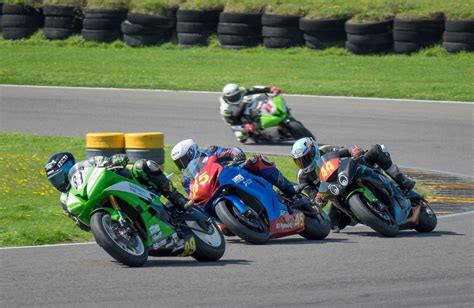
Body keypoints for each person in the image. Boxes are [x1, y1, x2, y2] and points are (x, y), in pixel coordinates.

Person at [290, 137, 416, 232]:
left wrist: (354, 150)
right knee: (333, 224)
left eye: (305, 159)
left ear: (313, 152)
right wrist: (318, 198)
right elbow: (314, 199)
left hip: (349, 172)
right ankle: (361, 215)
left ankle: (402, 180)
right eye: (298, 161)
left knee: (377, 150)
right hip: (336, 194)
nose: (302, 163)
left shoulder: (325, 150)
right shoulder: (303, 177)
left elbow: (345, 150)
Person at [45, 152, 188, 211]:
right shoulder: (66, 200)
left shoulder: (84, 165)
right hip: (105, 210)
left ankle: (177, 199)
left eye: (58, 178)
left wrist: (114, 160)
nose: (57, 184)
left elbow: (102, 161)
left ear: (66, 169)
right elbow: (82, 225)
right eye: (54, 181)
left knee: (143, 165)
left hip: (122, 182)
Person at [171, 139, 298, 197]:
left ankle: (288, 187)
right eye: (179, 163)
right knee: (226, 229)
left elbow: (230, 151)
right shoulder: (186, 180)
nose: (182, 164)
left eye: (183, 160)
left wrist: (237, 155)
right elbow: (194, 197)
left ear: (191, 152)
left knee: (255, 161)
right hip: (215, 193)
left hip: (235, 174)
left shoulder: (210, 151)